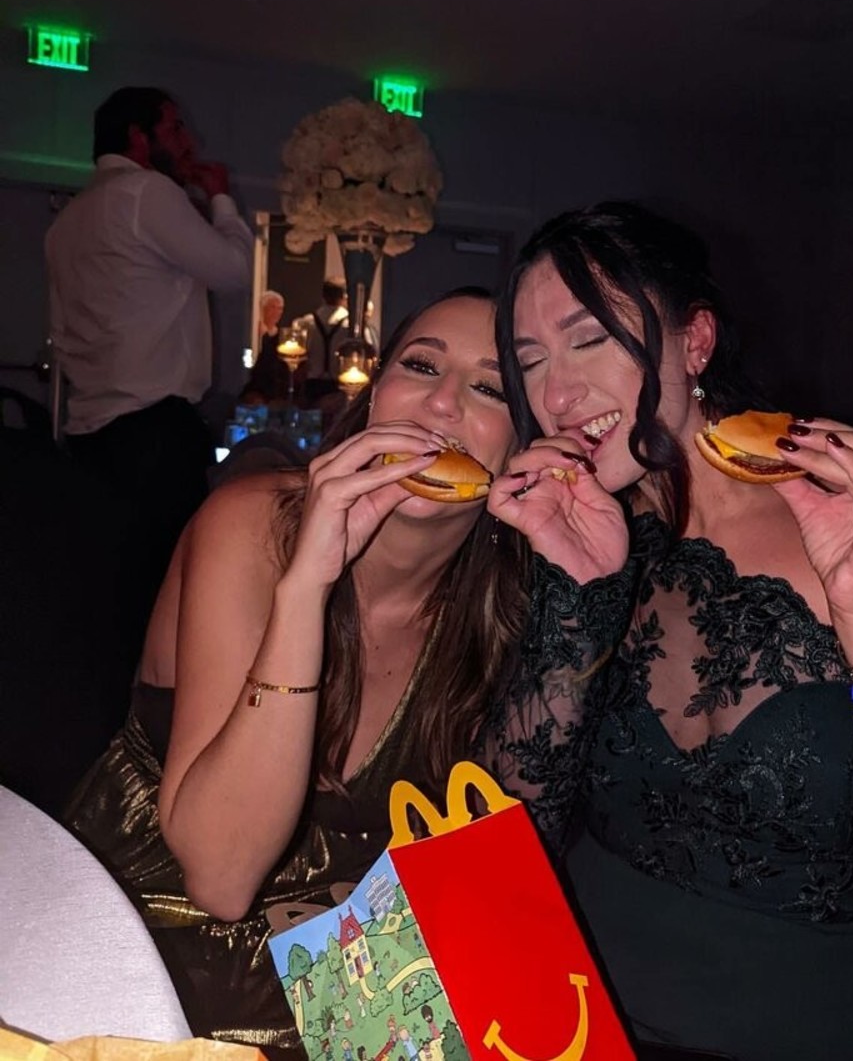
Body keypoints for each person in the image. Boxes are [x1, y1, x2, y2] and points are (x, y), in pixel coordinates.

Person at [491, 202, 853, 1061]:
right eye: (530, 360)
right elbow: (509, 839)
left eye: (589, 340)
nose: (554, 394)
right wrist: (573, 605)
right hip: (569, 1025)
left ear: (695, 342)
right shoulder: (589, 529)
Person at [65, 288, 531, 1061]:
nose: (442, 404)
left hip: (348, 958)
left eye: (491, 388)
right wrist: (306, 587)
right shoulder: (253, 526)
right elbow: (220, 879)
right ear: (376, 396)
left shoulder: (505, 603)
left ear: (521, 446)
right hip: (149, 929)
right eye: (421, 367)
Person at [45, 87, 254, 643]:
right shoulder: (146, 192)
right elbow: (233, 271)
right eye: (176, 128)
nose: (190, 142)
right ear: (139, 137)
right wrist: (221, 200)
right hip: (154, 433)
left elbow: (64, 328)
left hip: (90, 433)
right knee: (167, 598)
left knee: (110, 589)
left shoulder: (67, 220)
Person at [297, 278, 351, 402]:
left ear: (323, 296)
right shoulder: (350, 324)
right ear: (344, 296)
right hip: (340, 384)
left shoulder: (308, 322)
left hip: (313, 384)